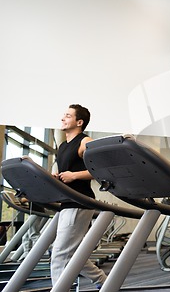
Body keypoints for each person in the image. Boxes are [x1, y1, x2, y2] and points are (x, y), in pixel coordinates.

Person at [51, 104, 107, 289]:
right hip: (67, 202)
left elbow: (100, 169)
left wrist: (73, 175)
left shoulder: (84, 142)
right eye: (63, 115)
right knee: (73, 254)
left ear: (79, 122)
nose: (63, 118)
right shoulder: (63, 146)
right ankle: (103, 281)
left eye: (68, 115)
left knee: (60, 253)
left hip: (79, 201)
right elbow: (64, 172)